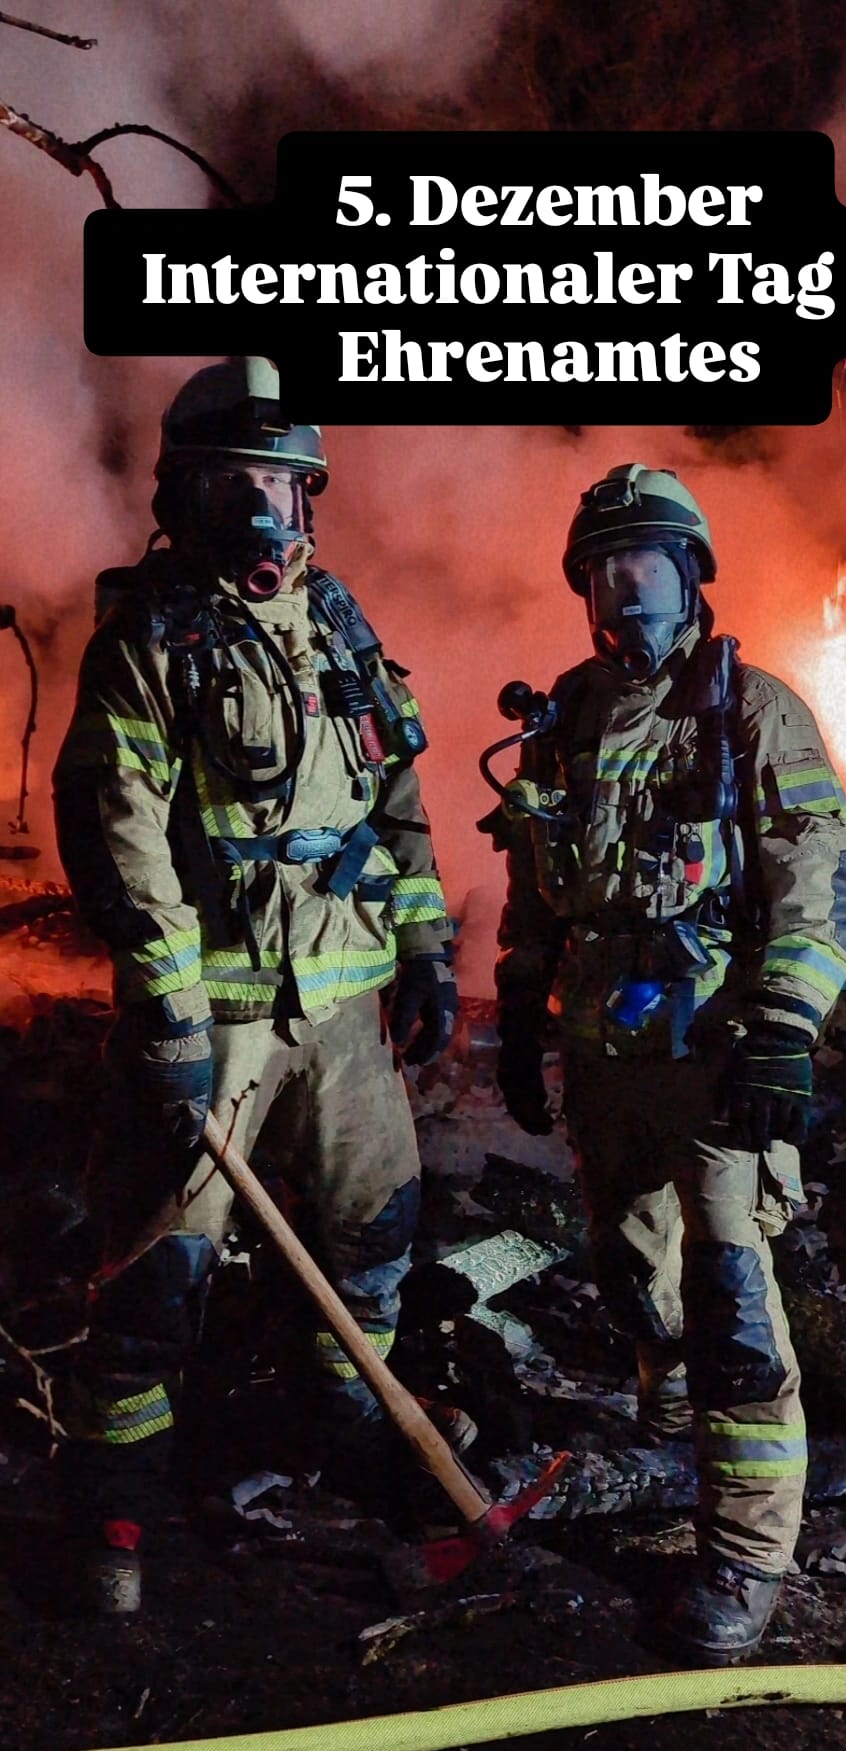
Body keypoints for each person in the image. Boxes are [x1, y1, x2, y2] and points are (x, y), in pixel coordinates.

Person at [52, 357, 465, 1613]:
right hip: (218, 1021)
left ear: (309, 498)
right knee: (154, 1278)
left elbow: (397, 803)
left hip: (342, 1017)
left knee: (374, 1243)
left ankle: (337, 1448)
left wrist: (428, 949)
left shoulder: (338, 625)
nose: (259, 511)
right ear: (181, 497)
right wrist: (171, 1017)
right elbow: (121, 841)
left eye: (279, 485)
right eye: (230, 484)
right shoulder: (148, 643)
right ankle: (115, 1518)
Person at [488, 462, 846, 1664]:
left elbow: (818, 877)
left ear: (693, 571)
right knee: (631, 1270)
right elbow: (534, 876)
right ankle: (669, 1431)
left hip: (715, 1062)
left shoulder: (752, 709)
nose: (624, 586)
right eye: (603, 568)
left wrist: (787, 1030)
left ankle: (745, 1556)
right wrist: (519, 997)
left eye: (645, 560)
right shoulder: (566, 714)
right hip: (607, 1058)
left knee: (732, 1306)